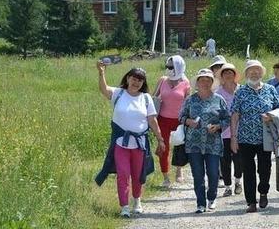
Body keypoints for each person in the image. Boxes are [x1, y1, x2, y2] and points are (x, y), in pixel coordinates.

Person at [94, 62, 165, 218]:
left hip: (139, 144)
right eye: (133, 78)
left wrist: (160, 139)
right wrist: (101, 73)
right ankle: (124, 206)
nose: (136, 82)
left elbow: (152, 120)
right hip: (121, 144)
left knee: (138, 173)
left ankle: (137, 201)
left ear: (143, 83)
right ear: (127, 78)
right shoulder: (118, 93)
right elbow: (104, 89)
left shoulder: (146, 98)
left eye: (140, 80)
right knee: (123, 174)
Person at [230, 60, 279, 213]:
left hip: (266, 137)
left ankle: (263, 191)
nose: (254, 73)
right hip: (245, 137)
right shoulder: (240, 92)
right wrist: (233, 137)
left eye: (257, 70)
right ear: (246, 74)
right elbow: (234, 115)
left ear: (262, 73)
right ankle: (251, 202)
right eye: (251, 71)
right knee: (248, 170)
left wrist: (271, 116)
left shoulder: (270, 89)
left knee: (265, 167)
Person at [179, 69, 230, 214]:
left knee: (213, 173)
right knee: (198, 174)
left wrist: (218, 126)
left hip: (213, 143)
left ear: (212, 83)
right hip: (193, 143)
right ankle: (200, 203)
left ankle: (212, 198)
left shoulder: (219, 99)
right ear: (197, 82)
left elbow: (227, 118)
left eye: (208, 80)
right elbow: (181, 116)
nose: (205, 82)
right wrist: (188, 121)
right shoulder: (190, 99)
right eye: (202, 80)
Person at [154, 55, 191, 187]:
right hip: (163, 119)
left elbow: (188, 103)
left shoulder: (185, 83)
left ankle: (179, 170)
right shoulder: (163, 80)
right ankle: (165, 176)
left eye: (171, 66)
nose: (168, 69)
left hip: (179, 120)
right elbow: (154, 98)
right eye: (167, 66)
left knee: (179, 145)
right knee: (163, 148)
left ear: (178, 67)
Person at [215, 63, 243, 196]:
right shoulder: (217, 93)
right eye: (225, 73)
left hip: (240, 131)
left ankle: (238, 181)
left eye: (230, 72)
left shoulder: (242, 90)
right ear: (221, 76)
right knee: (225, 161)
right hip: (223, 132)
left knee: (239, 159)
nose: (228, 75)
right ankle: (227, 186)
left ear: (235, 75)